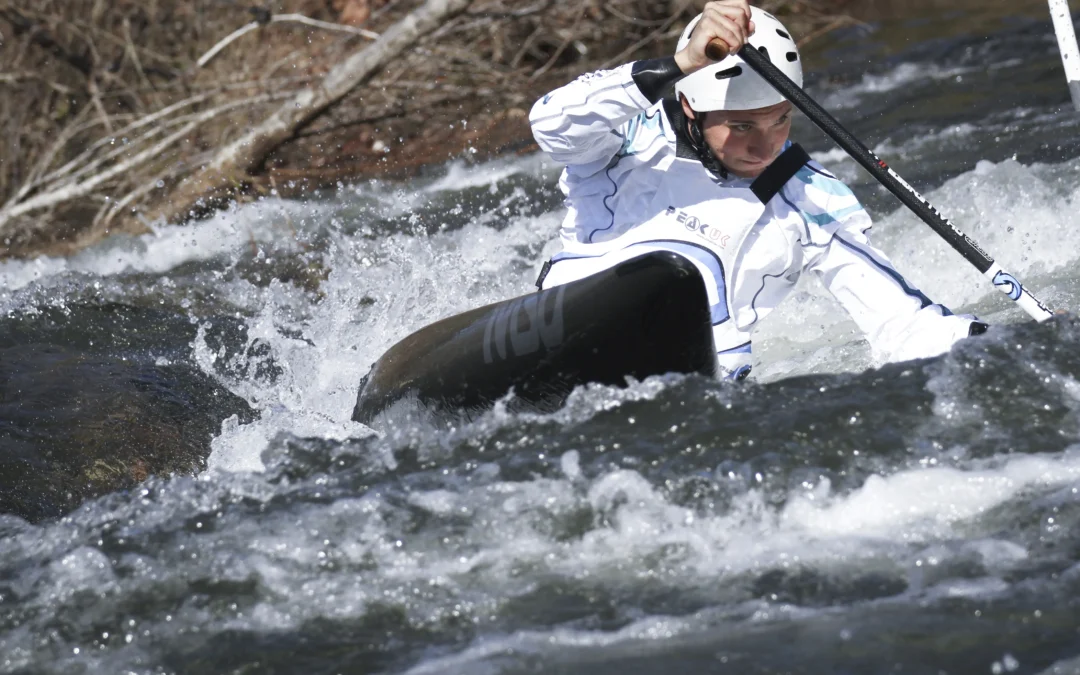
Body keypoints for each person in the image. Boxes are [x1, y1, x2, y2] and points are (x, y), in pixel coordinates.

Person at [529, 0, 985, 380]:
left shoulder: (811, 197)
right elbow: (550, 123)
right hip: (566, 331)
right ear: (690, 105)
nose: (765, 145)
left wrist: (1009, 345)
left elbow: (902, 325)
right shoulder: (622, 134)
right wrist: (684, 63)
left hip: (694, 385)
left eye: (780, 119)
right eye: (742, 125)